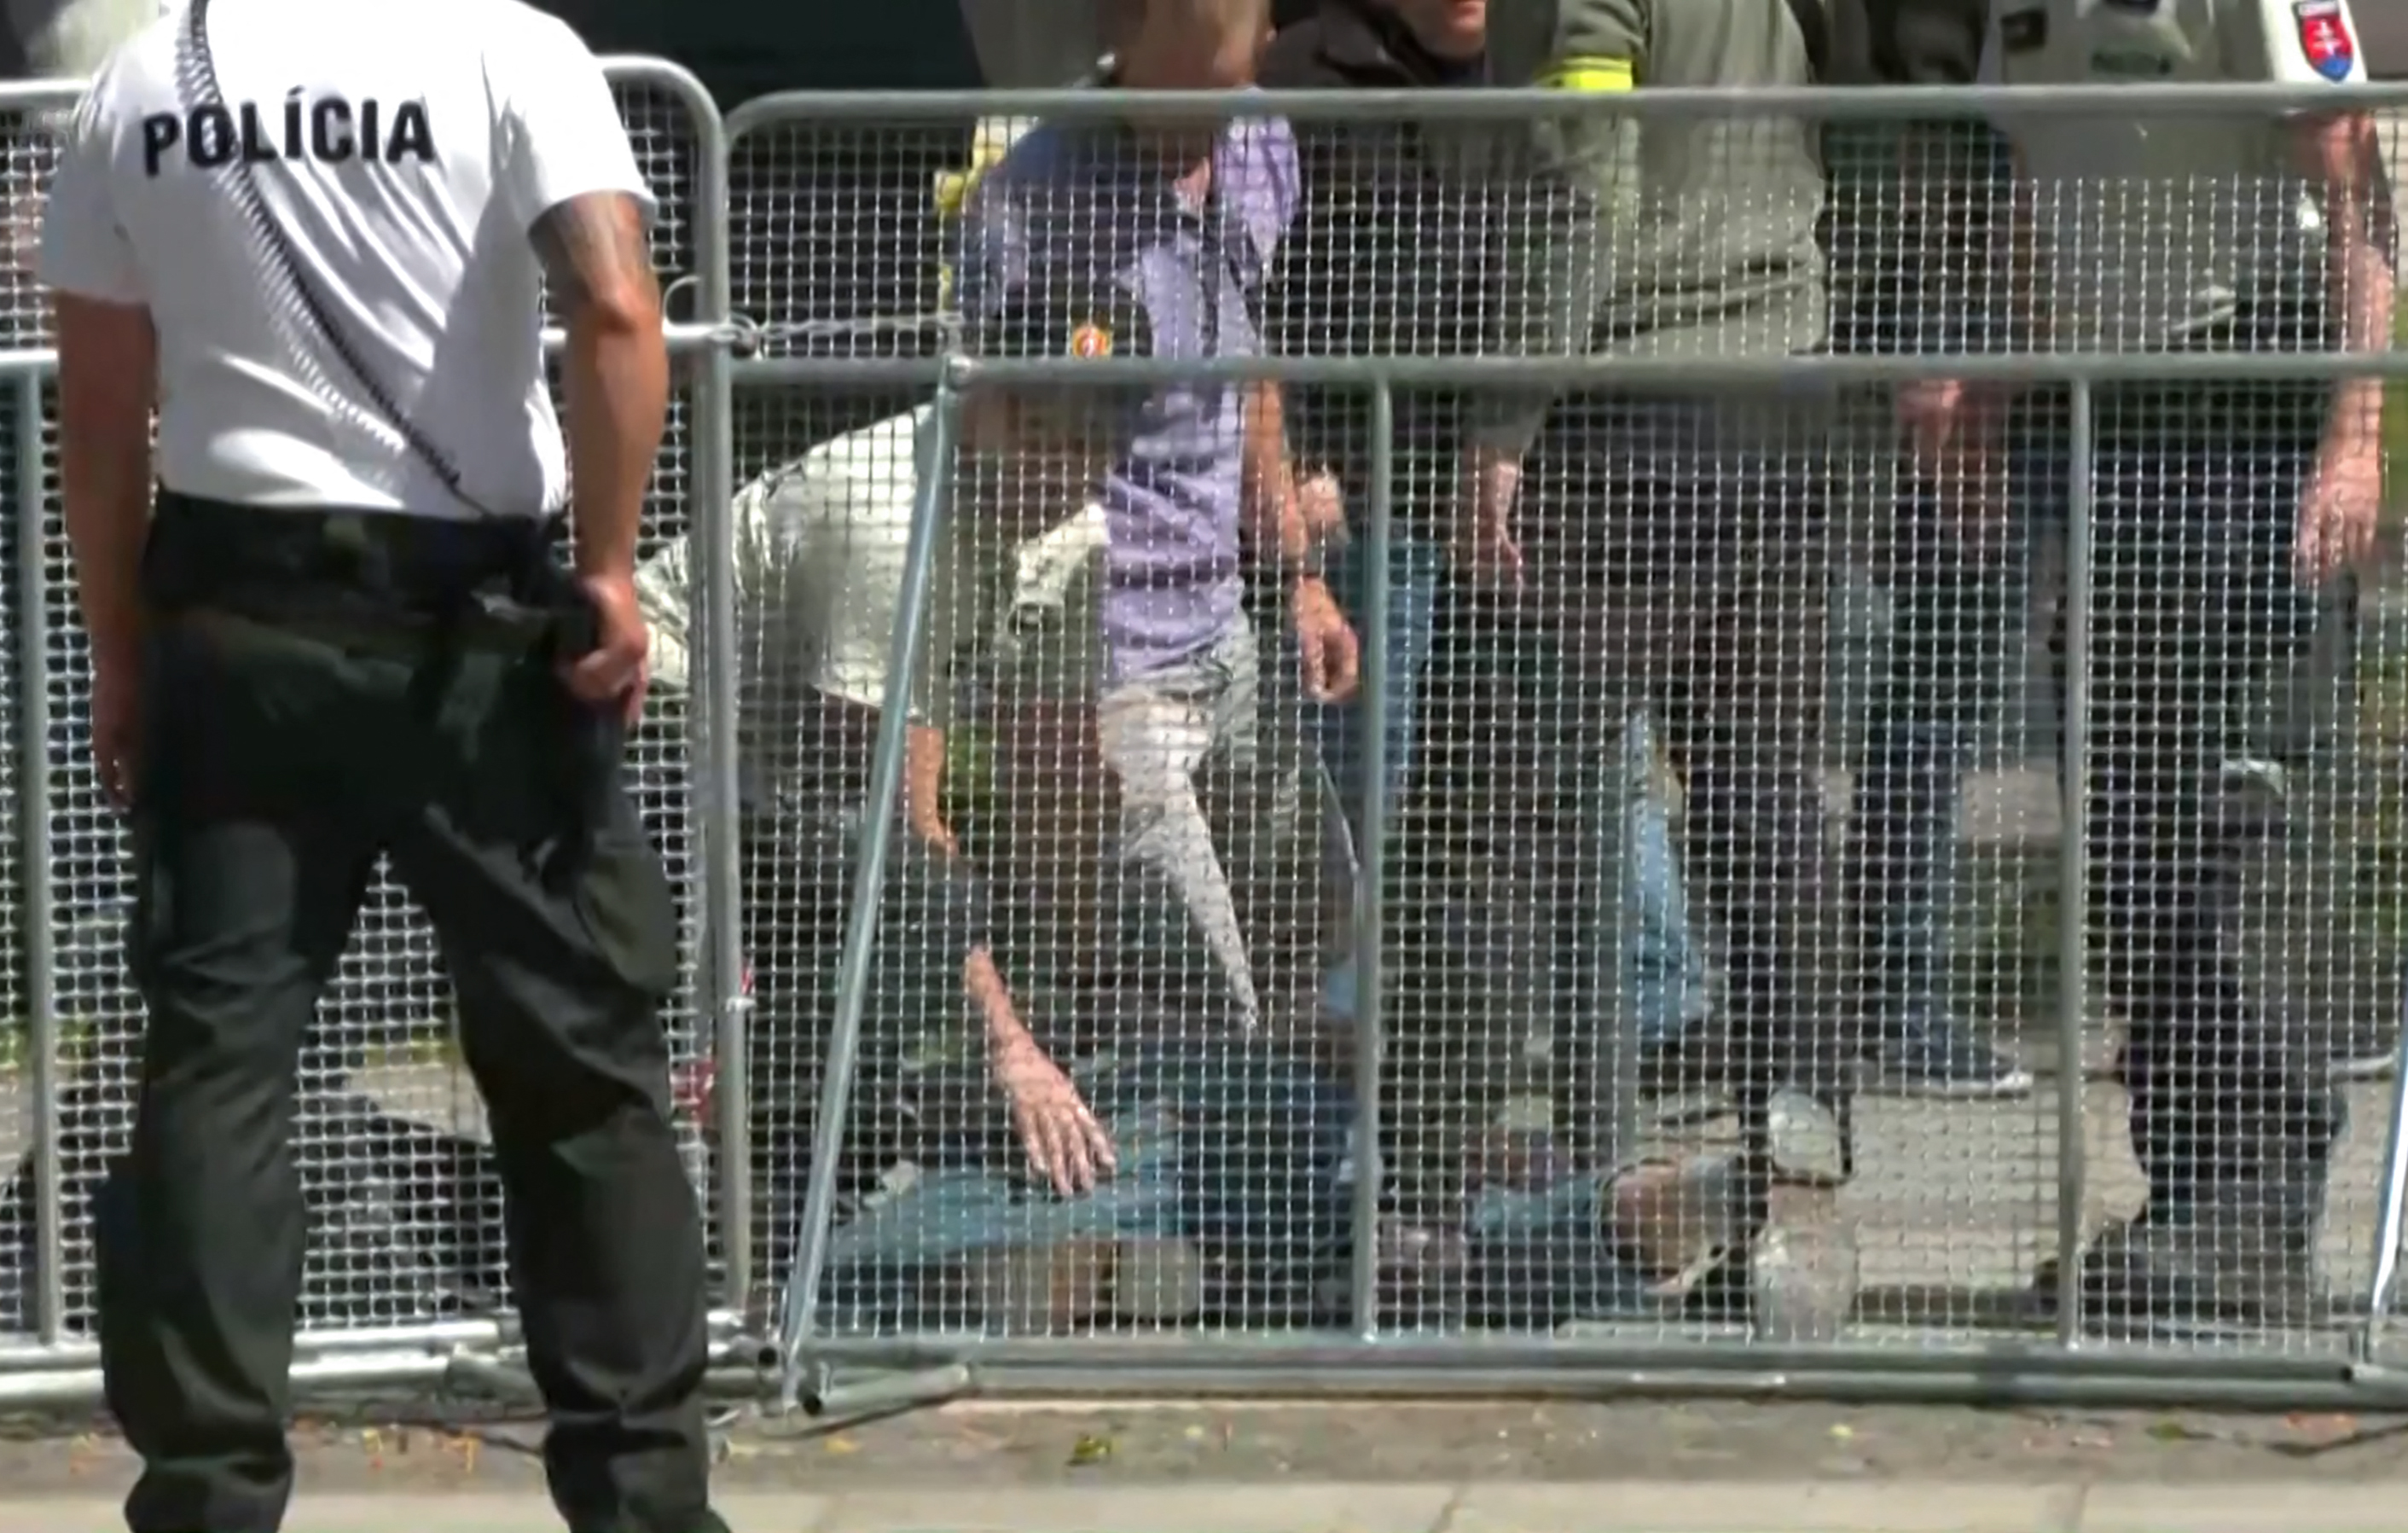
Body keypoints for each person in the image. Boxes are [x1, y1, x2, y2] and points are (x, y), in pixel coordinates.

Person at [38, 0, 726, 1528]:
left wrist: (121, 648)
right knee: (578, 1076)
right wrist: (610, 565)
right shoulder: (508, 50)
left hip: (232, 621)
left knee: (216, 1072)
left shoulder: (143, 82)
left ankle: (209, 1489)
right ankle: (643, 1498)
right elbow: (615, 310)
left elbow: (100, 409)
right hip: (473, 635)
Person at [1903, 0, 2385, 1326]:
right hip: (2096, 410)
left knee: (2231, 819)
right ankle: (2184, 1190)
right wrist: (1985, 374)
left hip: (2241, 401)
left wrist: (2351, 434)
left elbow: (2354, 190)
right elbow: (2024, 186)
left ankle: (2259, 1206)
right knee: (2121, 827)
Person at [1257, 0, 1711, 1274]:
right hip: (1382, 501)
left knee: (1572, 793)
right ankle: (1411, 1140)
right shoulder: (1306, 79)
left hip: (1531, 498)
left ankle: (1609, 1070)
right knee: (1410, 820)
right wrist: (1299, 475)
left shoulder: (1548, 64)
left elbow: (1588, 233)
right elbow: (1258, 293)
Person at [1467, 0, 1858, 1283]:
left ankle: (1403, 1192)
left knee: (1487, 799)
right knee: (1761, 794)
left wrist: (1506, 417)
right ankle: (1795, 1170)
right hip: (1787, 383)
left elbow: (1589, 175)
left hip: (1638, 402)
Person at [633, 381, 1126, 1280]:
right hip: (660, 765)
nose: (1066, 464)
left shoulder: (1080, 539)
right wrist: (1012, 1049)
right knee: (932, 906)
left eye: (1093, 436)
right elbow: (896, 828)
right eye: (1042, 426)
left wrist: (1073, 999)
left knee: (984, 936)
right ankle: (769, 1172)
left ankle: (838, 1145)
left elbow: (1060, 787)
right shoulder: (887, 510)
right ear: (982, 407)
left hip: (793, 793)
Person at [957, 0, 1361, 1039]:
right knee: (1211, 1007)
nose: (1202, 131)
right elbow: (990, 447)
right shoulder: (1028, 202)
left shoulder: (1263, 139)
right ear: (1120, 45)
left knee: (1326, 946)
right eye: (1175, 103)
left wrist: (1298, 573)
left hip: (1229, 630)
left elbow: (1250, 362)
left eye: (1219, 97)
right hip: (1112, 666)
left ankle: (1303, 1187)